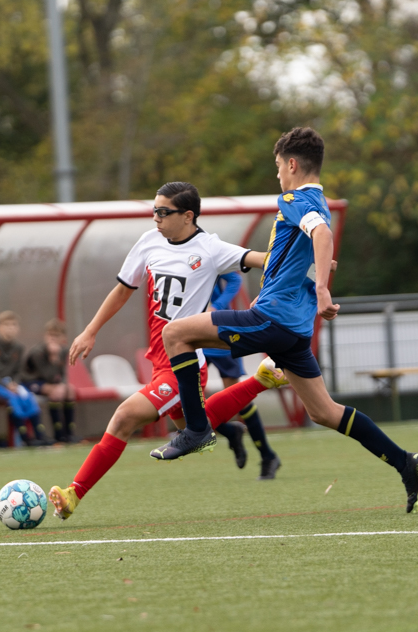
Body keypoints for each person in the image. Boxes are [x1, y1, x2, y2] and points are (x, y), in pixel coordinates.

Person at [157, 128, 418, 514]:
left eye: (277, 166)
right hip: (293, 329)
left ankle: (197, 430)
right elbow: (309, 246)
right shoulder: (317, 201)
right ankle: (407, 464)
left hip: (273, 320)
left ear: (291, 164)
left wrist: (322, 289)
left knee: (175, 334)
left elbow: (321, 234)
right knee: (324, 412)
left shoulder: (293, 198)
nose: (277, 174)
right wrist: (310, 274)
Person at [47, 181, 288, 521]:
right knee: (192, 423)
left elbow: (262, 259)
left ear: (188, 216)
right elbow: (122, 289)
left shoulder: (210, 248)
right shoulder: (149, 241)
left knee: (124, 417)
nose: (156, 218)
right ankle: (253, 393)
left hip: (183, 363)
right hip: (158, 360)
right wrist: (90, 331)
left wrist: (313, 264)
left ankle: (74, 493)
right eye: (154, 210)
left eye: (163, 211)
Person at [204, 272, 282, 479]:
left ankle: (267, 456)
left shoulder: (206, 252)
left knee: (237, 401)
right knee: (186, 402)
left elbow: (235, 279)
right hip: (188, 338)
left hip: (216, 333)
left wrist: (217, 306)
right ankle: (232, 432)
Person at [0, 311, 49, 446]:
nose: (10, 328)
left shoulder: (19, 348)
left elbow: (19, 371)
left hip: (11, 385)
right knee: (12, 398)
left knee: (27, 396)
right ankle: (25, 437)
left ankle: (40, 435)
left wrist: (15, 383)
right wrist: (6, 385)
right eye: (6, 325)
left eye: (13, 325)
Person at [25, 318, 78, 443]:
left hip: (50, 383)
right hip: (31, 382)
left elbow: (63, 373)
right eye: (50, 335)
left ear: (63, 337)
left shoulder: (64, 351)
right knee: (57, 392)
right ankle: (58, 434)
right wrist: (53, 358)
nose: (52, 339)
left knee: (70, 390)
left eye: (56, 336)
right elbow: (46, 375)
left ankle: (69, 434)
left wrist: (64, 384)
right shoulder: (38, 352)